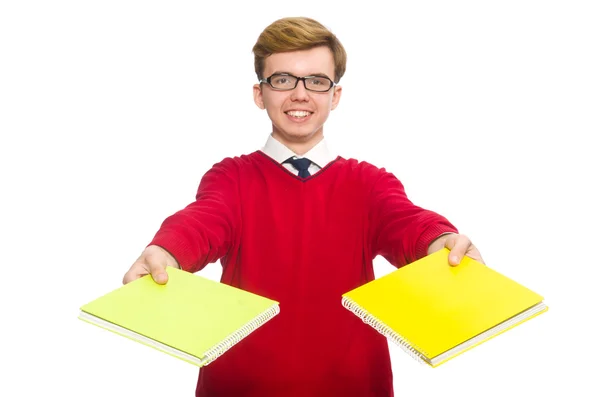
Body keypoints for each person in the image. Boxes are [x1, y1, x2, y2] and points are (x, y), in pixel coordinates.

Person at [123, 16, 484, 397]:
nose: (299, 94)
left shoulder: (369, 183)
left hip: (354, 387)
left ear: (335, 95)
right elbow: (203, 221)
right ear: (260, 94)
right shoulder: (232, 178)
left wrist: (441, 241)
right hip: (239, 387)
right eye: (282, 80)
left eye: (316, 81)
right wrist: (166, 251)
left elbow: (407, 222)